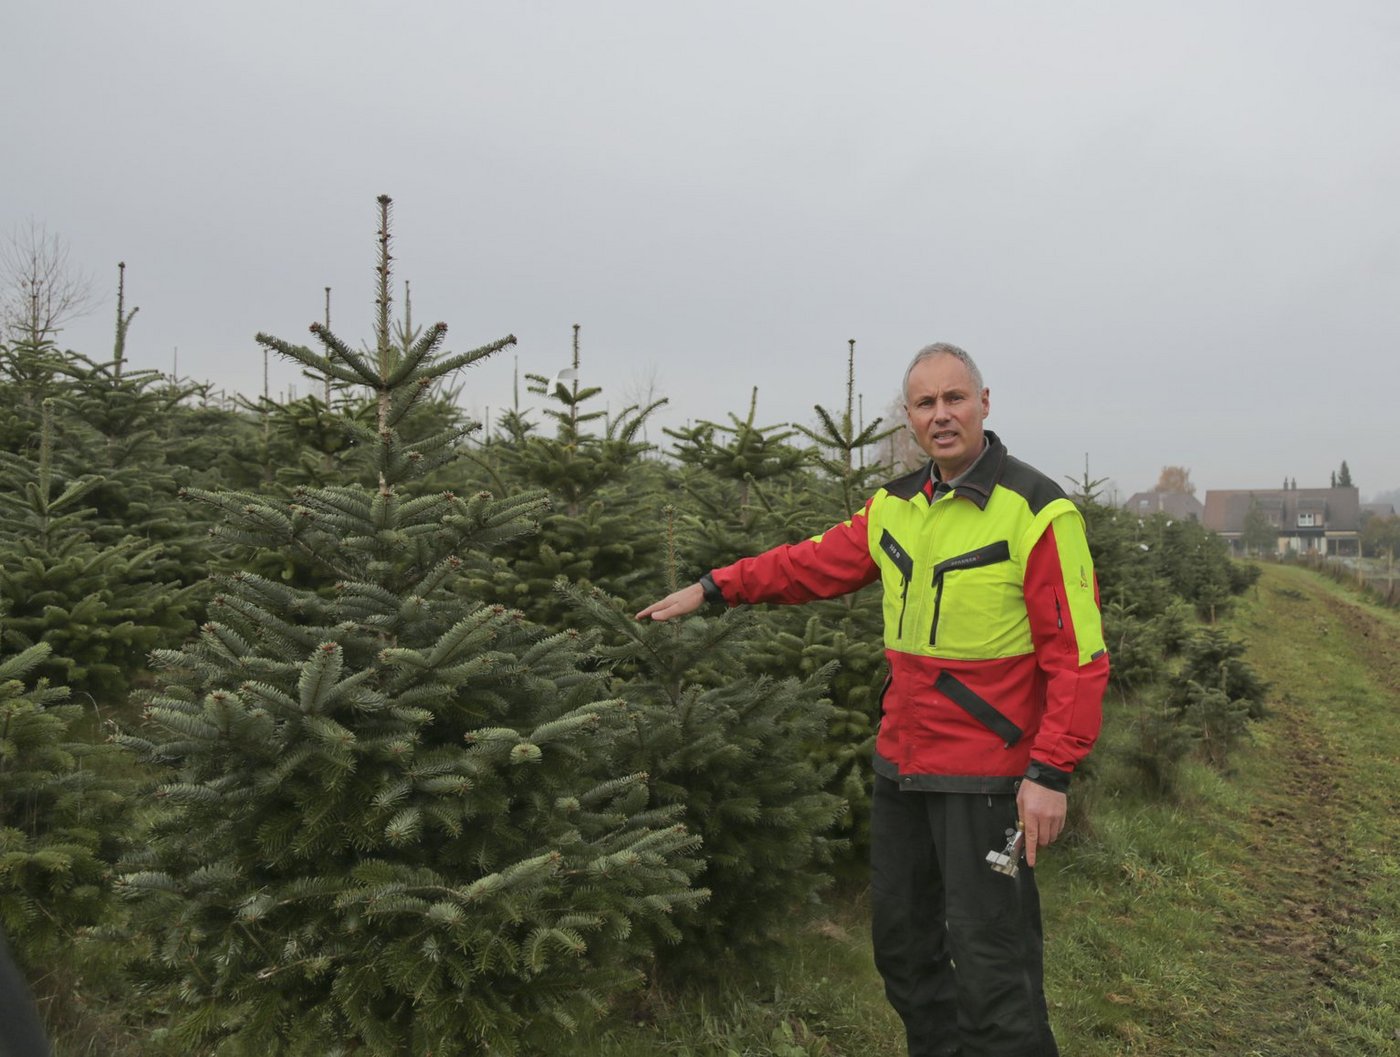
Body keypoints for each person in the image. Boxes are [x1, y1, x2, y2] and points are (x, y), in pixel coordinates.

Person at [636, 342, 1109, 1057]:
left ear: (985, 402)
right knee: (904, 953)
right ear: (911, 418)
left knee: (992, 972)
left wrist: (1050, 773)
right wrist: (713, 586)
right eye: (925, 403)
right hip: (903, 769)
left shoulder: (1038, 511)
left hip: (988, 778)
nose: (941, 415)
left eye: (955, 398)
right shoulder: (895, 506)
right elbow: (810, 563)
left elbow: (1078, 653)